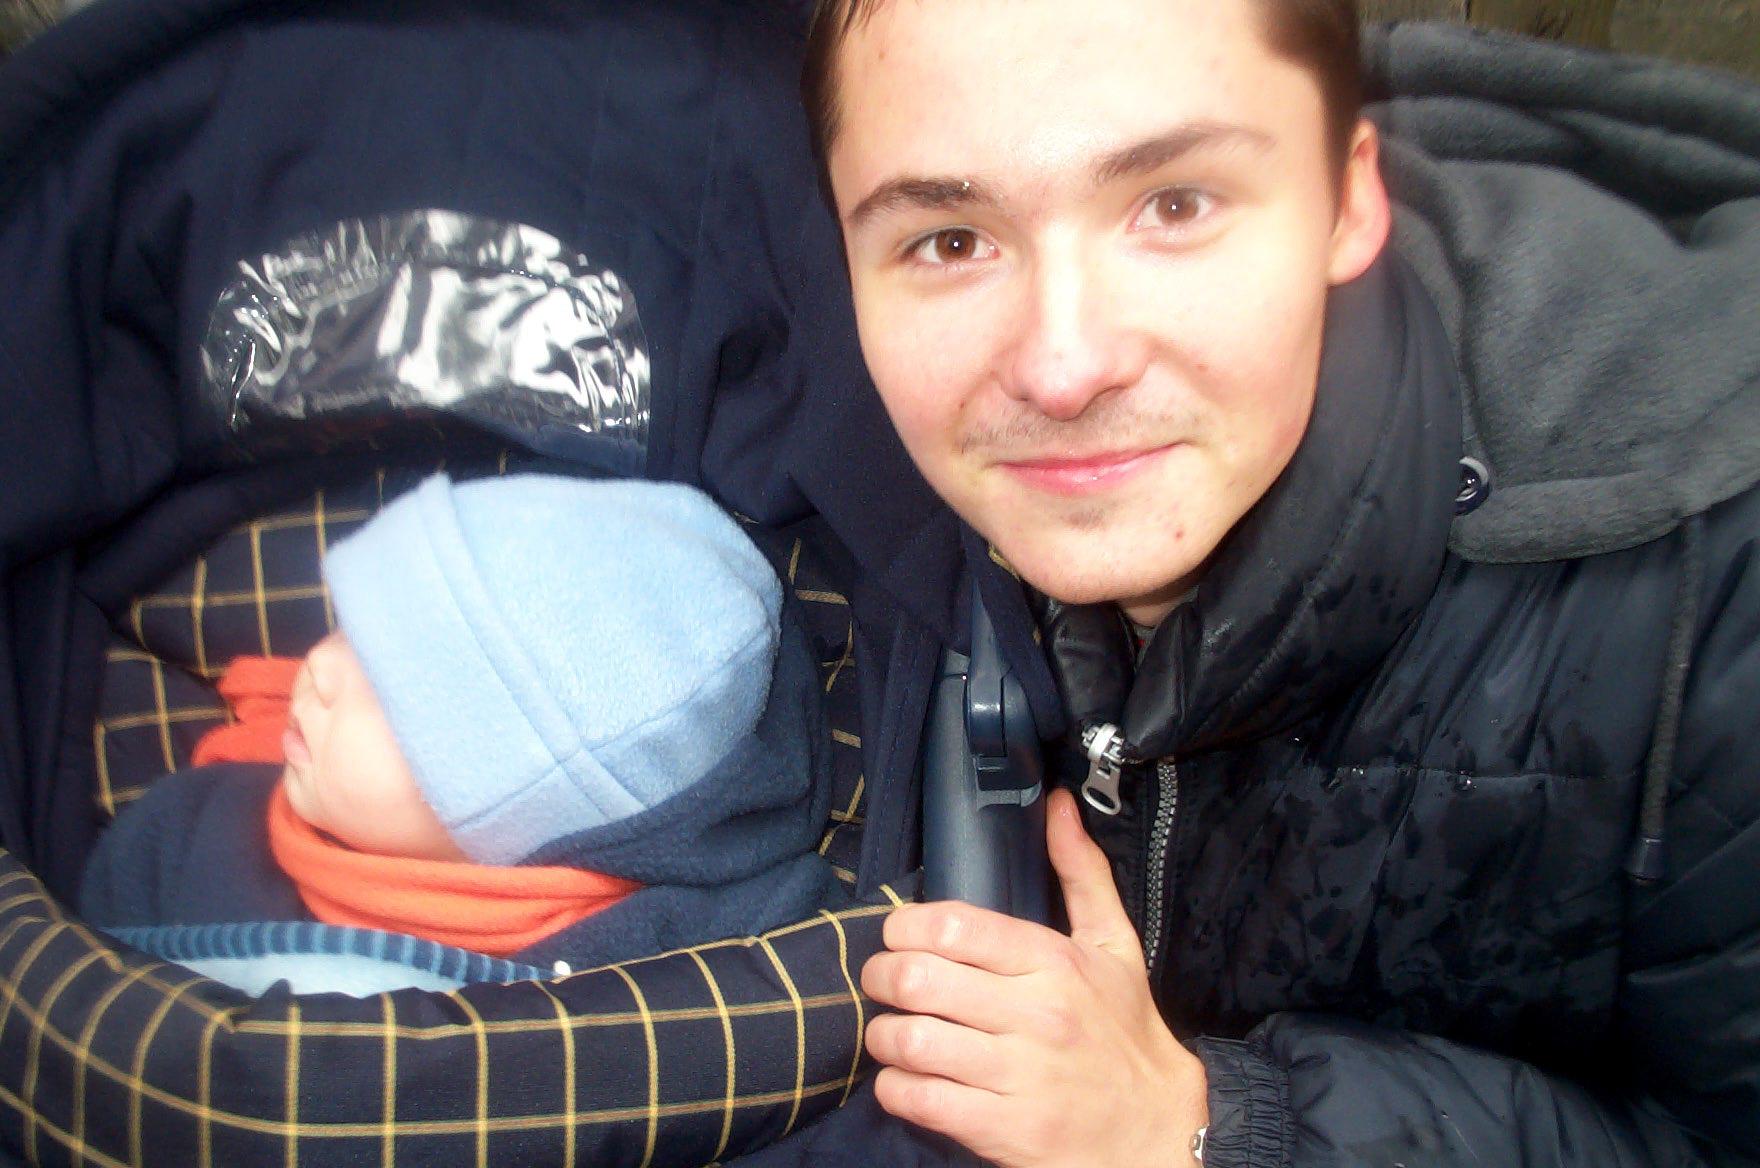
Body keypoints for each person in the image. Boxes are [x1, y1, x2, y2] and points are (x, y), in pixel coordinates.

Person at [796, 0, 1760, 1164]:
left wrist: (1197, 1125)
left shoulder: (1710, 594)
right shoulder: (848, 469)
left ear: (1348, 199)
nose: (1059, 367)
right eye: (951, 241)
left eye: (1173, 205)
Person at [80, 471, 847, 994]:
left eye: (391, 693)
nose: (315, 667)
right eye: (347, 627)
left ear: (520, 830)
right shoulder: (189, 840)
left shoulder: (669, 963)